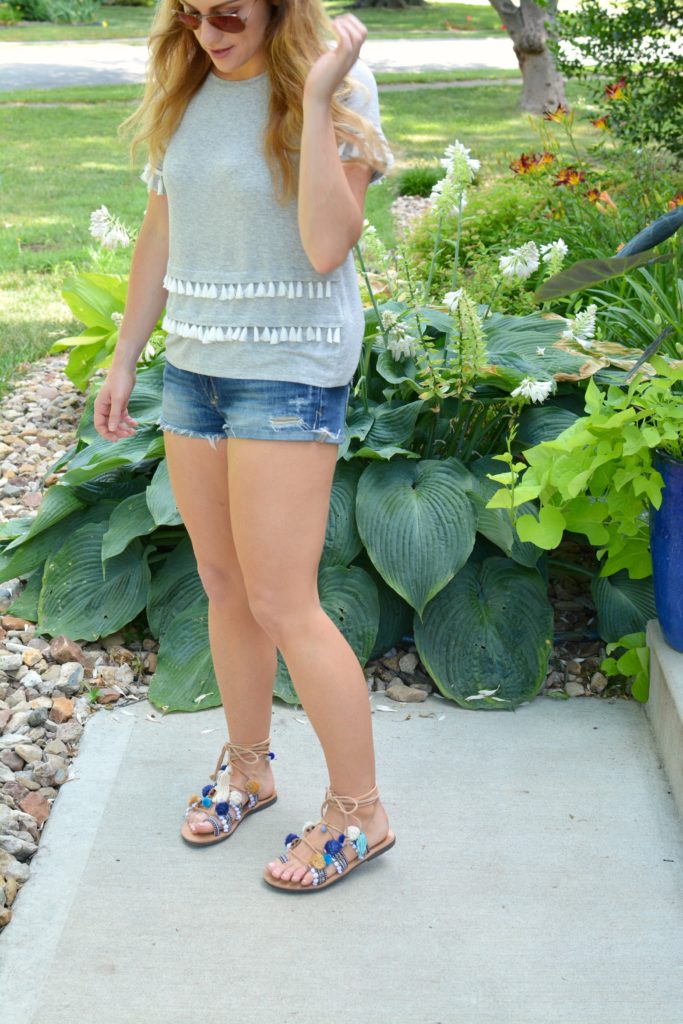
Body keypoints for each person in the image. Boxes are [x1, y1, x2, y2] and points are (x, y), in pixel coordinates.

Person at [92, 0, 395, 892]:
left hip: (289, 368)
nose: (207, 33)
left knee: (282, 600)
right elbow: (161, 227)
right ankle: (250, 765)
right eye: (189, 14)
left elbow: (326, 243)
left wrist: (313, 92)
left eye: (227, 14)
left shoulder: (339, 79)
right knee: (222, 582)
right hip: (195, 364)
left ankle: (359, 812)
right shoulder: (185, 80)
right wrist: (124, 356)